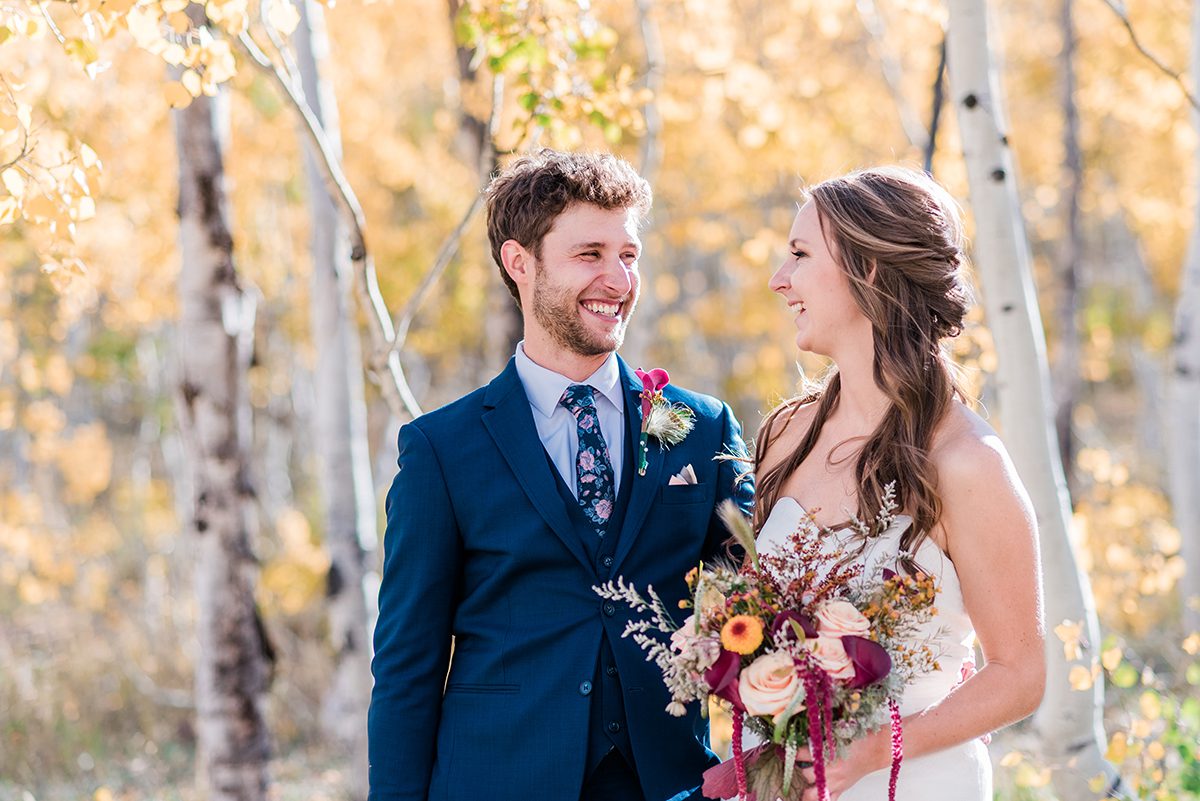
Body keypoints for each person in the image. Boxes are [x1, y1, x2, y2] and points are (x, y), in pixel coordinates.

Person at [367, 149, 754, 801]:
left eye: (628, 255)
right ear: (521, 263)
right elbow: (407, 665)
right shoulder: (442, 447)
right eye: (590, 254)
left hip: (669, 784)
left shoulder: (702, 425)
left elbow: (762, 609)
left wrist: (763, 755)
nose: (618, 278)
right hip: (496, 779)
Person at [752, 166, 1046, 800]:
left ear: (871, 272)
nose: (780, 278)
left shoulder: (968, 464)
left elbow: (1021, 675)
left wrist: (873, 751)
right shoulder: (787, 434)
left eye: (801, 255)